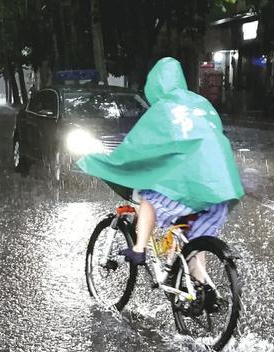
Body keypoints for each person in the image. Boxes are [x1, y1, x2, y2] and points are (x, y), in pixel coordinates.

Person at [77, 57, 245, 265]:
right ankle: (202, 289)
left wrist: (108, 162)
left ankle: (138, 249)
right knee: (194, 244)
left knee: (149, 196)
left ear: (155, 85)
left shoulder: (164, 109)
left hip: (193, 185)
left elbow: (137, 146)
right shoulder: (200, 102)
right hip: (221, 187)